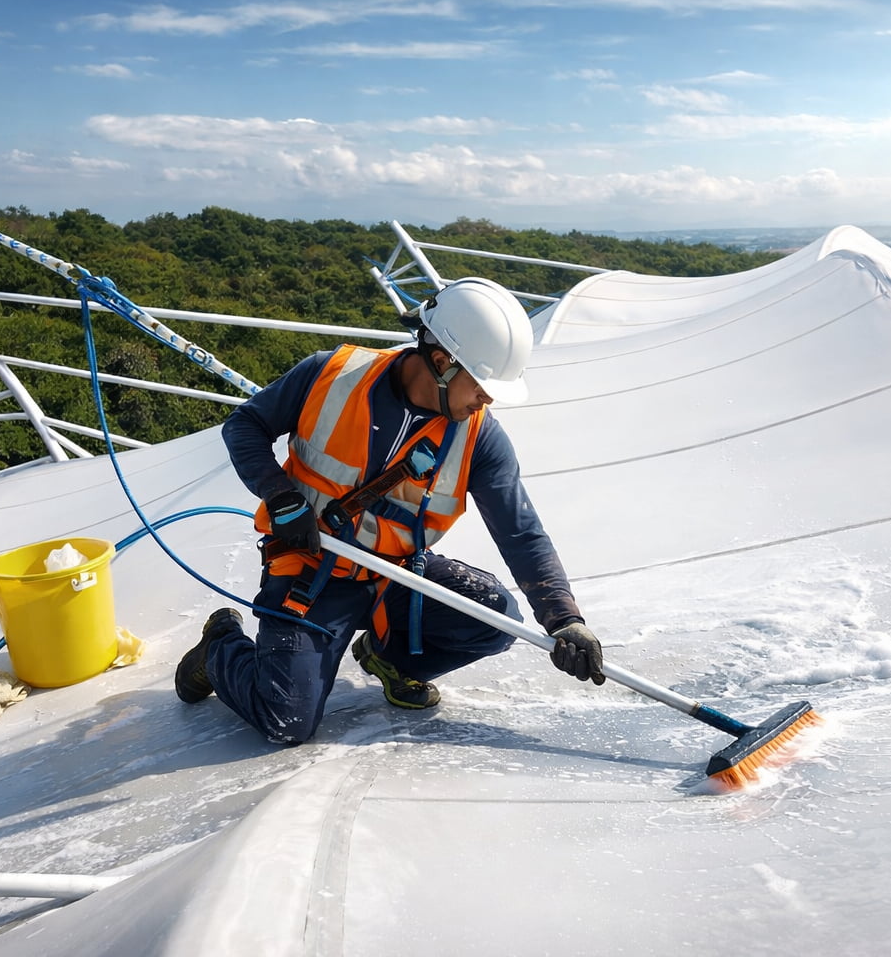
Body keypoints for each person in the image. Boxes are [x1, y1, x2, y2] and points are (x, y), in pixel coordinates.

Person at [175, 277, 605, 743]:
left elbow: (521, 533)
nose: (488, 399)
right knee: (286, 720)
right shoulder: (330, 376)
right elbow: (246, 425)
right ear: (441, 362)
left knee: (494, 613)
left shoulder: (480, 437)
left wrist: (565, 619)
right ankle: (220, 644)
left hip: (396, 577)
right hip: (311, 572)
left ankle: (389, 657)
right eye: (481, 385)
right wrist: (281, 496)